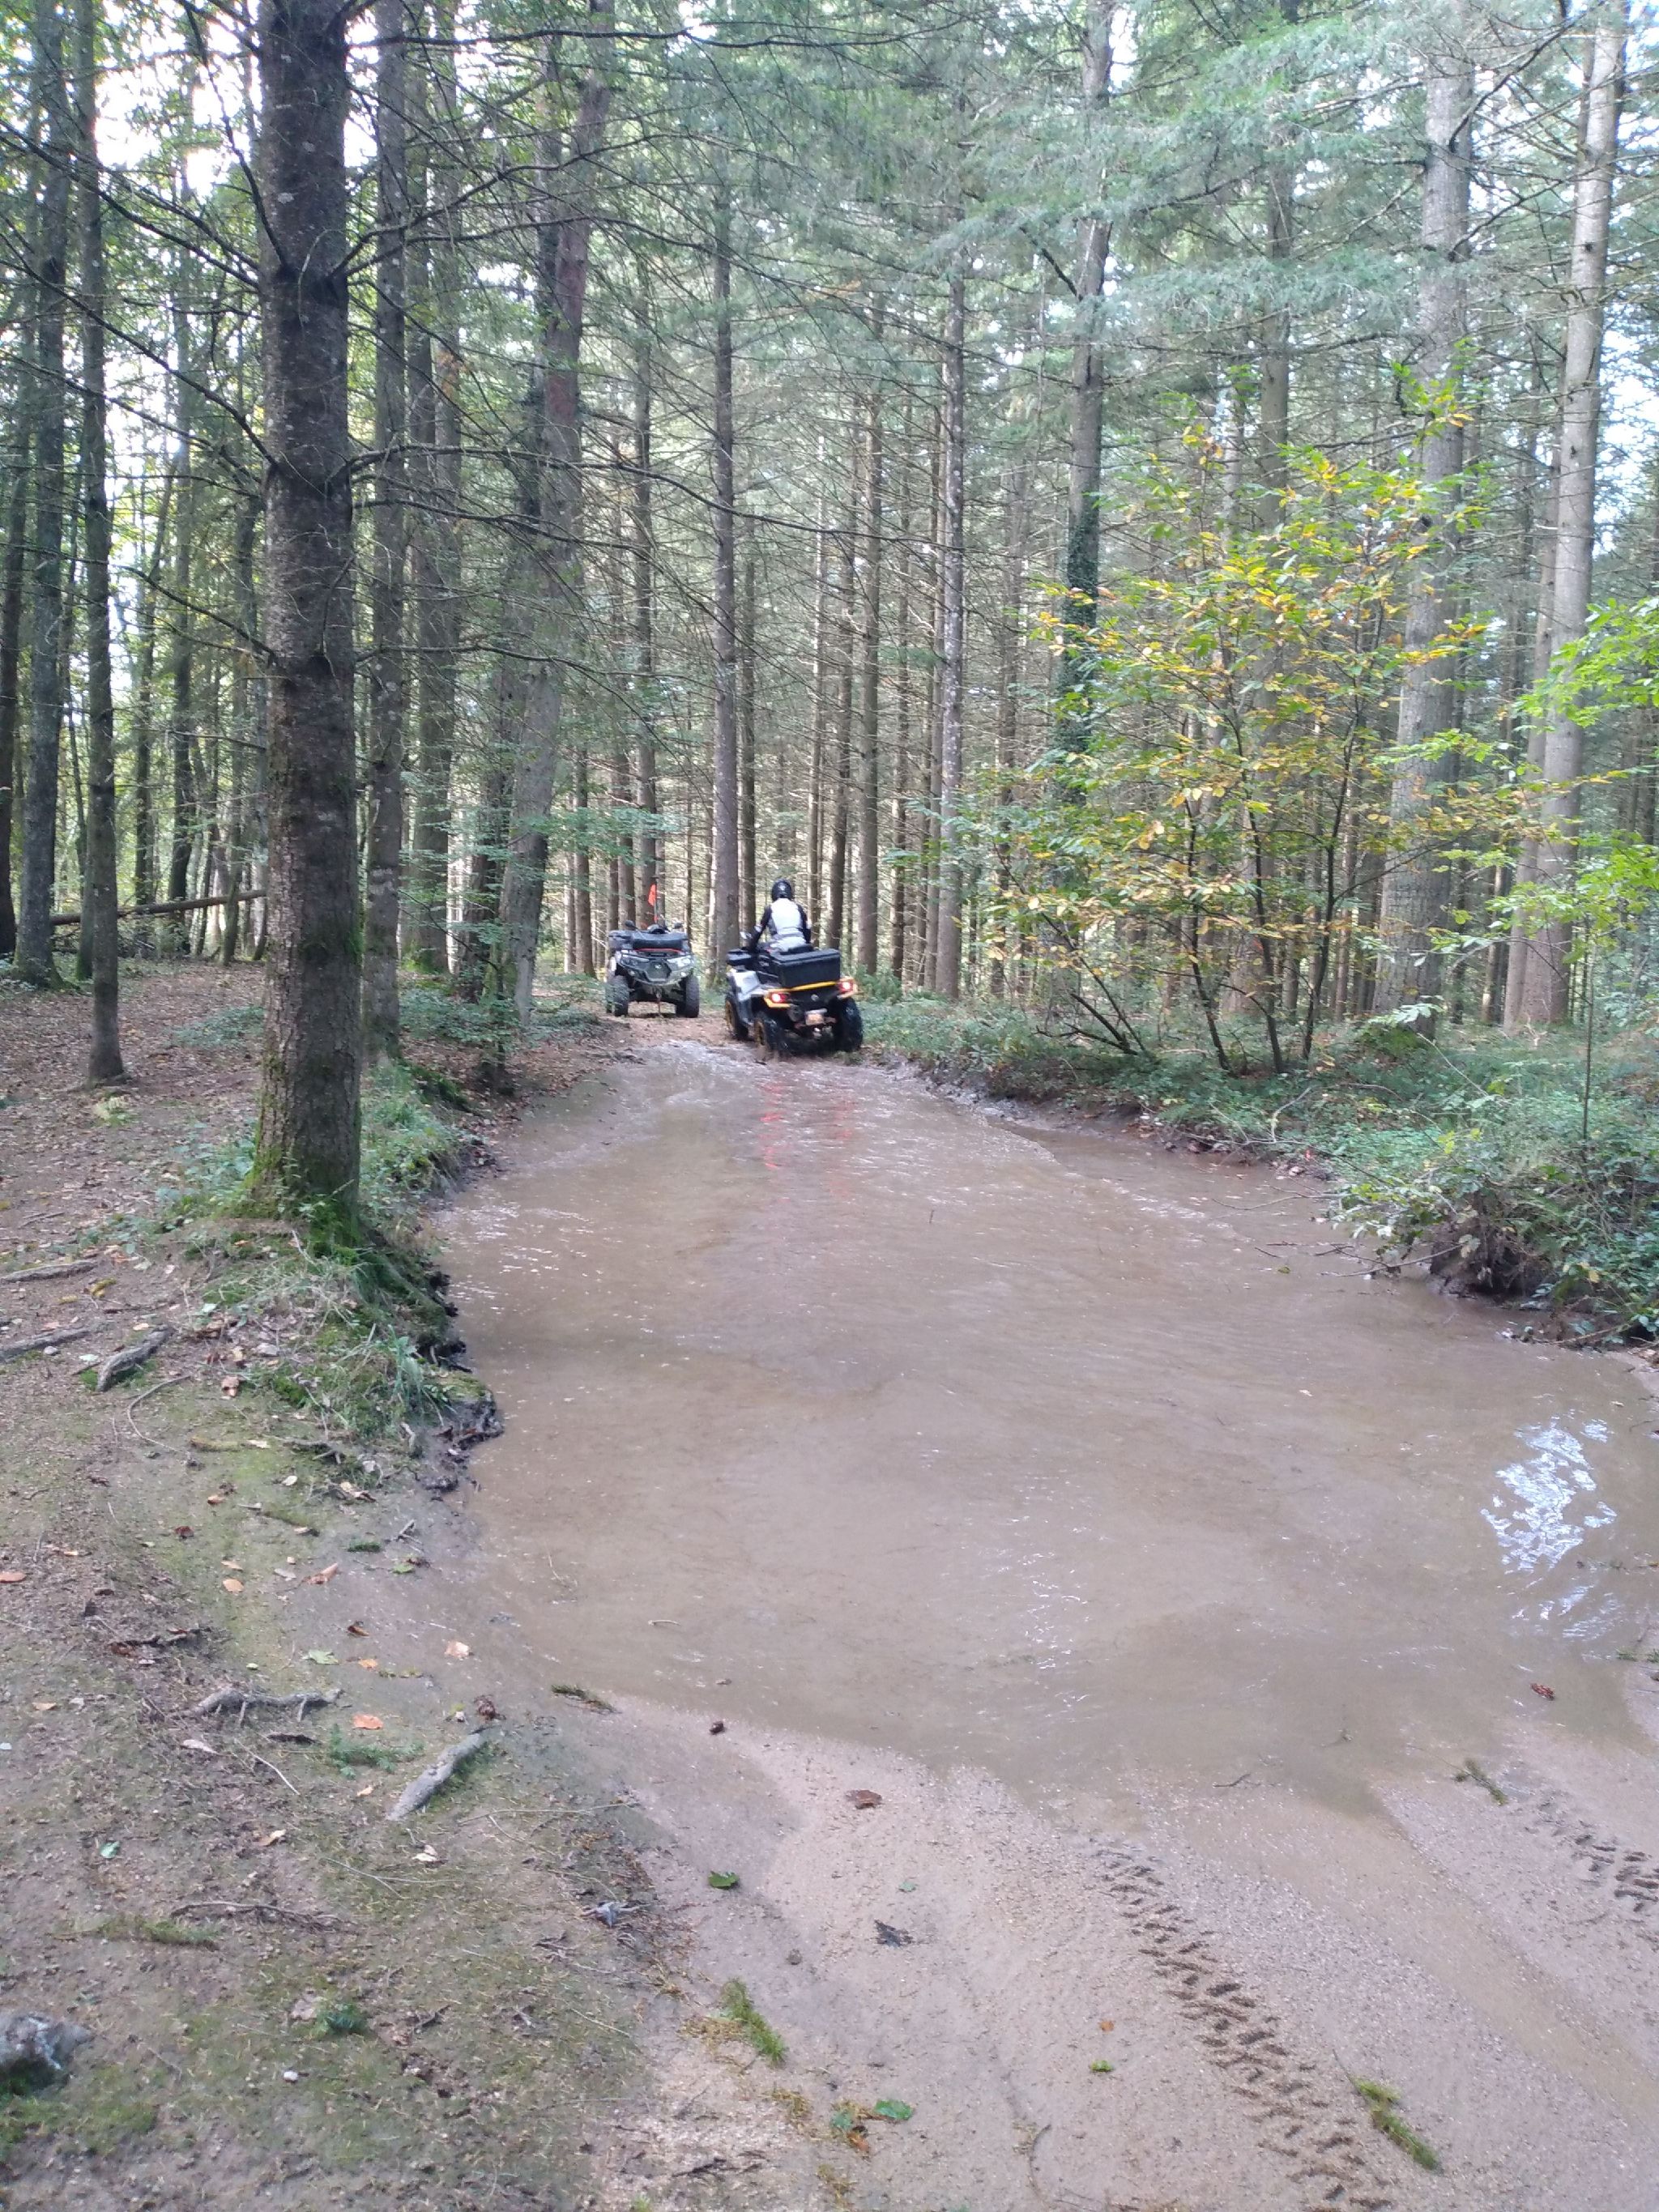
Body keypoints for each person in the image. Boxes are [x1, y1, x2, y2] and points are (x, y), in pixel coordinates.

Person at [754, 877, 812, 953]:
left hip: (780, 948)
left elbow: (759, 930)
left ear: (774, 894)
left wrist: (751, 945)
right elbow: (807, 929)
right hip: (800, 946)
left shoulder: (770, 909)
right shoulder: (798, 908)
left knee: (762, 951)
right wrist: (807, 944)